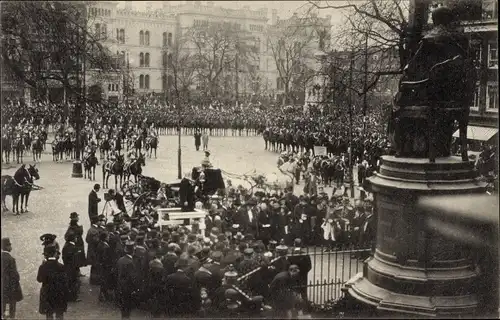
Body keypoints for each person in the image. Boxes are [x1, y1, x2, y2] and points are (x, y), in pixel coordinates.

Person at [37, 245, 69, 320]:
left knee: (49, 314)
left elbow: (39, 279)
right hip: (59, 293)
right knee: (59, 314)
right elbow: (65, 281)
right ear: (55, 254)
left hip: (47, 293)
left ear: (45, 255)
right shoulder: (61, 266)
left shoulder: (43, 267)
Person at [1, 238, 23, 319]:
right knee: (12, 305)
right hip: (11, 286)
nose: (11, 247)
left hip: (2, 285)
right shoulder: (11, 259)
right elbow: (15, 275)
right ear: (7, 246)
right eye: (10, 245)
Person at [116, 241, 137, 319]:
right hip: (128, 288)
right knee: (127, 306)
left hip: (120, 286)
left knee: (123, 306)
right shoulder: (130, 262)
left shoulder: (120, 260)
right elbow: (132, 277)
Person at [61, 231, 81, 302]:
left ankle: (71, 296)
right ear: (73, 239)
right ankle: (72, 297)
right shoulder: (71, 247)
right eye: (75, 237)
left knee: (71, 282)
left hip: (69, 267)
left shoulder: (67, 245)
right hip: (72, 268)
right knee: (72, 282)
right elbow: (72, 259)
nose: (76, 238)